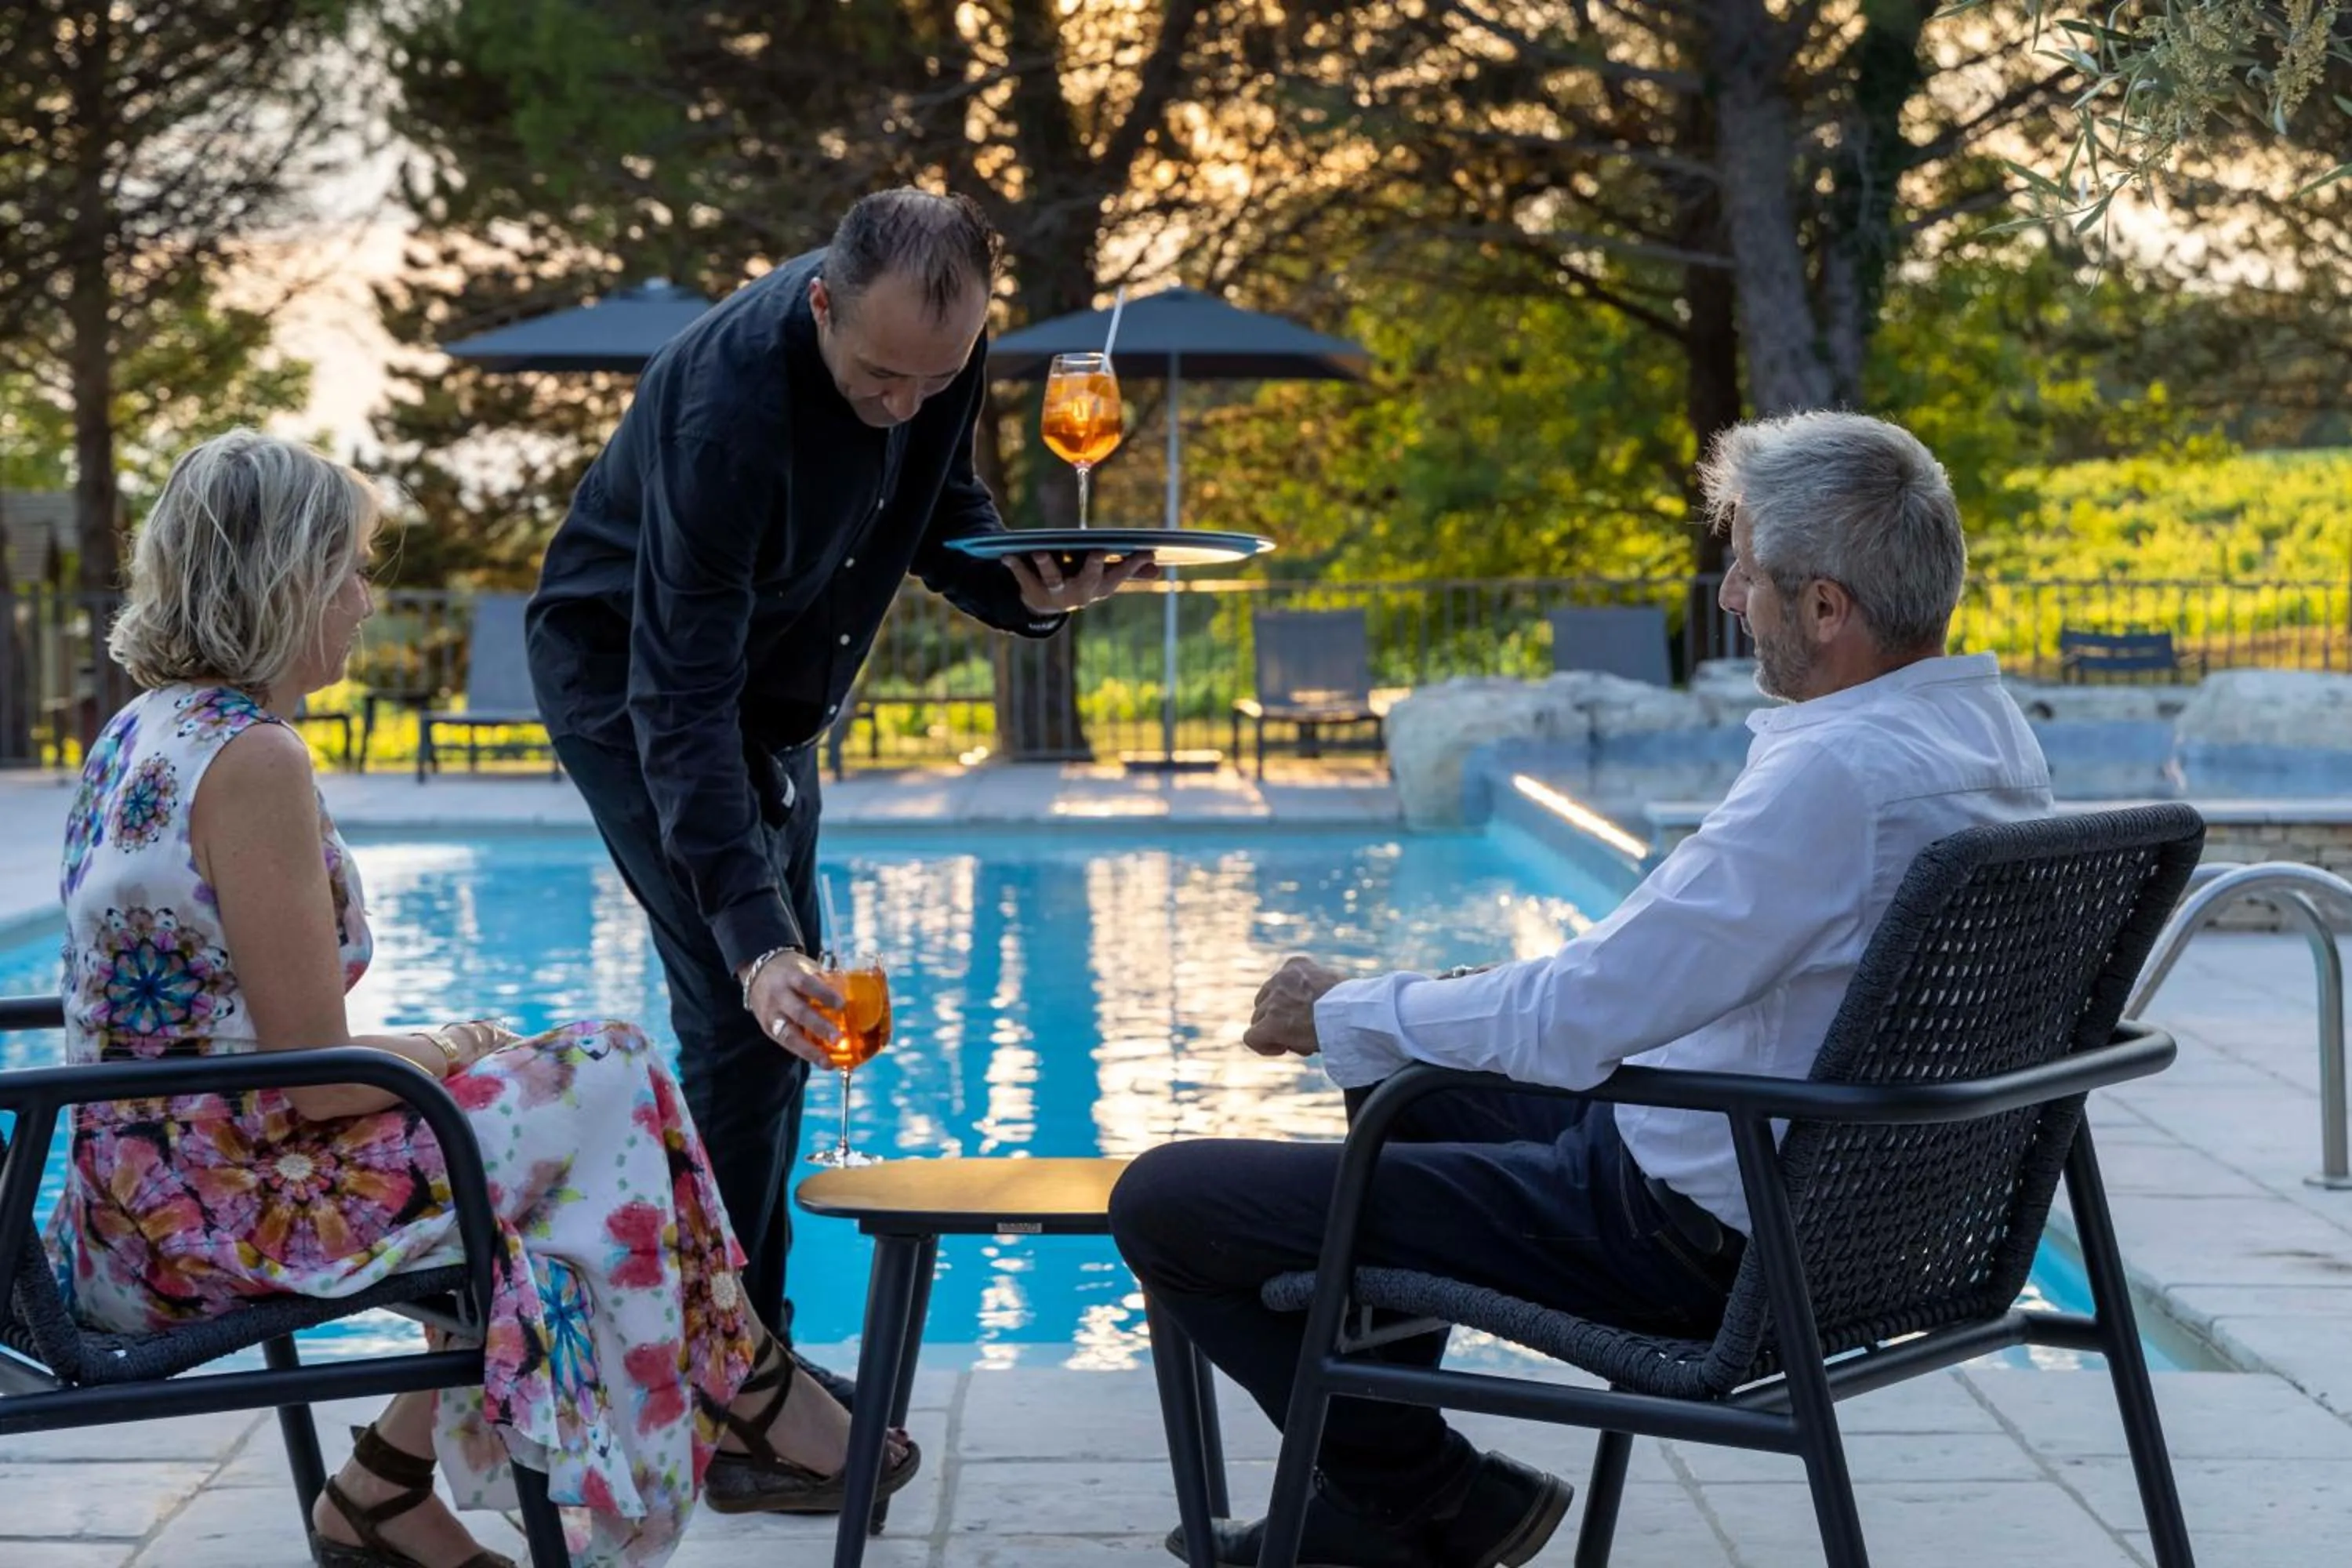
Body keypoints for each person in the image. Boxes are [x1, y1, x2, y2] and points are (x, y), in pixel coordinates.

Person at [1109, 412, 2056, 1568]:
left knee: (1172, 1203)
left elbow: (1581, 1013)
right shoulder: (1984, 733)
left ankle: (1428, 1498)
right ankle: (1378, 1507)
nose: (1727, 599)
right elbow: (1629, 991)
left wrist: (1343, 1006)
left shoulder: (1836, 775)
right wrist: (1402, 1015)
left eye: (1745, 573)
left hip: (1691, 1240)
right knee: (1418, 1072)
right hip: (1848, 1215)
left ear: (1825, 609)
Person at [49, 430, 916, 1568]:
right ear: (283, 581)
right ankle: (751, 1389)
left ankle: (392, 1487)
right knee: (605, 1077)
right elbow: (314, 1085)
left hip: (130, 1200)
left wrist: (462, 1058)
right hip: (214, 1218)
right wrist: (454, 1042)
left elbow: (238, 1045)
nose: (366, 598)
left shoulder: (140, 733)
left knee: (583, 1120)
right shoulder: (252, 761)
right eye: (349, 569)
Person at [525, 188, 1145, 1426]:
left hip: (769, 701)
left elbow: (934, 516)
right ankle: (724, 1384)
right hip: (631, 688)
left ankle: (744, 1358)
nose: (905, 406)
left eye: (937, 378)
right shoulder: (728, 415)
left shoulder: (927, 357)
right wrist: (754, 940)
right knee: (742, 1014)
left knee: (781, 1037)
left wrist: (1034, 595)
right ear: (821, 302)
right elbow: (680, 699)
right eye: (879, 379)